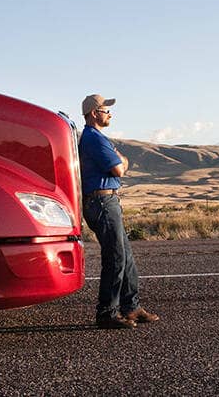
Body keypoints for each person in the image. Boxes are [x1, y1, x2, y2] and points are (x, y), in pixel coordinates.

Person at [78, 94, 159, 329]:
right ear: (95, 113)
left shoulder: (95, 138)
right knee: (115, 257)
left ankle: (131, 307)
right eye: (106, 110)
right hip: (102, 202)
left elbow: (120, 165)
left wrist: (119, 159)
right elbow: (119, 169)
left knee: (126, 256)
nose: (110, 114)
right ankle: (107, 312)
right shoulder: (94, 139)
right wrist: (121, 159)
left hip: (106, 201)